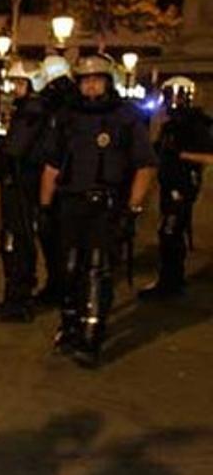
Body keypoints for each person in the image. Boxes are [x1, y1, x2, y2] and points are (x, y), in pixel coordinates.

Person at [39, 53, 156, 366]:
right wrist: (45, 206)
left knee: (97, 270)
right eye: (86, 80)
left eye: (97, 79)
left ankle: (92, 336)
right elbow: (51, 165)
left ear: (108, 81)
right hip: (70, 203)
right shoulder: (67, 117)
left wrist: (133, 208)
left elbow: (145, 166)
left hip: (107, 205)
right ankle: (70, 324)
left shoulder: (126, 116)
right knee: (67, 268)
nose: (91, 86)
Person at [0, 60, 49, 322]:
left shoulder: (32, 112)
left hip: (21, 184)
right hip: (20, 182)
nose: (15, 88)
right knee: (15, 242)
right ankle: (16, 297)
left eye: (21, 83)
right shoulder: (27, 110)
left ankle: (17, 302)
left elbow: (14, 150)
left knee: (15, 243)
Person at [139, 87, 211, 298]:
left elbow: (207, 156)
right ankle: (169, 279)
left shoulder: (193, 127)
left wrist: (180, 154)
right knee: (167, 233)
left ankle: (171, 281)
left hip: (181, 186)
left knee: (171, 232)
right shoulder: (169, 127)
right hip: (170, 184)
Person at [33, 55, 80, 306]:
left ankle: (60, 288)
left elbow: (53, 155)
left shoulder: (60, 109)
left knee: (56, 241)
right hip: (73, 183)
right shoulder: (76, 103)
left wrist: (44, 202)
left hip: (63, 185)